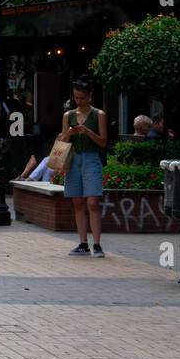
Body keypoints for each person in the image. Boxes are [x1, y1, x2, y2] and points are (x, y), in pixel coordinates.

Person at [61, 77, 108, 257]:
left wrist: (88, 131)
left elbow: (103, 142)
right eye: (76, 98)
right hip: (73, 159)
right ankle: (83, 242)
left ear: (89, 96)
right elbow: (62, 141)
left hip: (91, 158)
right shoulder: (68, 115)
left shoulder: (99, 115)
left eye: (82, 97)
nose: (78, 101)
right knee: (77, 201)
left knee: (93, 202)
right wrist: (70, 132)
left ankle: (97, 244)